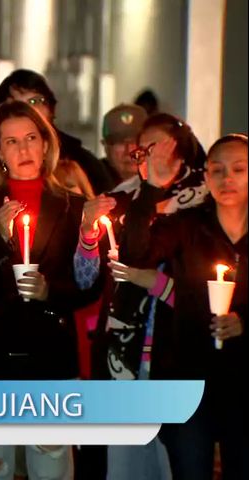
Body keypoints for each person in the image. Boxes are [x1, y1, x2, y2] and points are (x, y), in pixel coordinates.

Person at [0, 100, 96, 480]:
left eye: (31, 138)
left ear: (46, 144)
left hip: (49, 356)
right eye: (12, 141)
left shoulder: (71, 206)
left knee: (51, 464)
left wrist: (50, 291)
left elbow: (89, 285)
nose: (23, 149)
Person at [73, 113, 208, 480]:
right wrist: (87, 233)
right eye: (139, 150)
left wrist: (160, 285)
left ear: (182, 151)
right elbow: (86, 279)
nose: (141, 154)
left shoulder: (205, 198)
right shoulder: (122, 198)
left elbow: (209, 286)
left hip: (179, 351)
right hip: (123, 350)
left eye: (154, 147)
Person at [122, 134, 248, 480]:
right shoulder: (188, 226)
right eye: (217, 170)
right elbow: (136, 252)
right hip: (190, 379)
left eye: (239, 169)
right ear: (205, 177)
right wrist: (150, 191)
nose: (227, 179)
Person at [0, 69, 112, 195]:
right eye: (17, 104)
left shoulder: (82, 161)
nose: (27, 111)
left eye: (34, 101)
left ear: (50, 108)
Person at [100, 104, 147, 190]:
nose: (130, 151)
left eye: (137, 141)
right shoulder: (89, 181)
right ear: (105, 147)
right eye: (120, 142)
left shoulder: (170, 185)